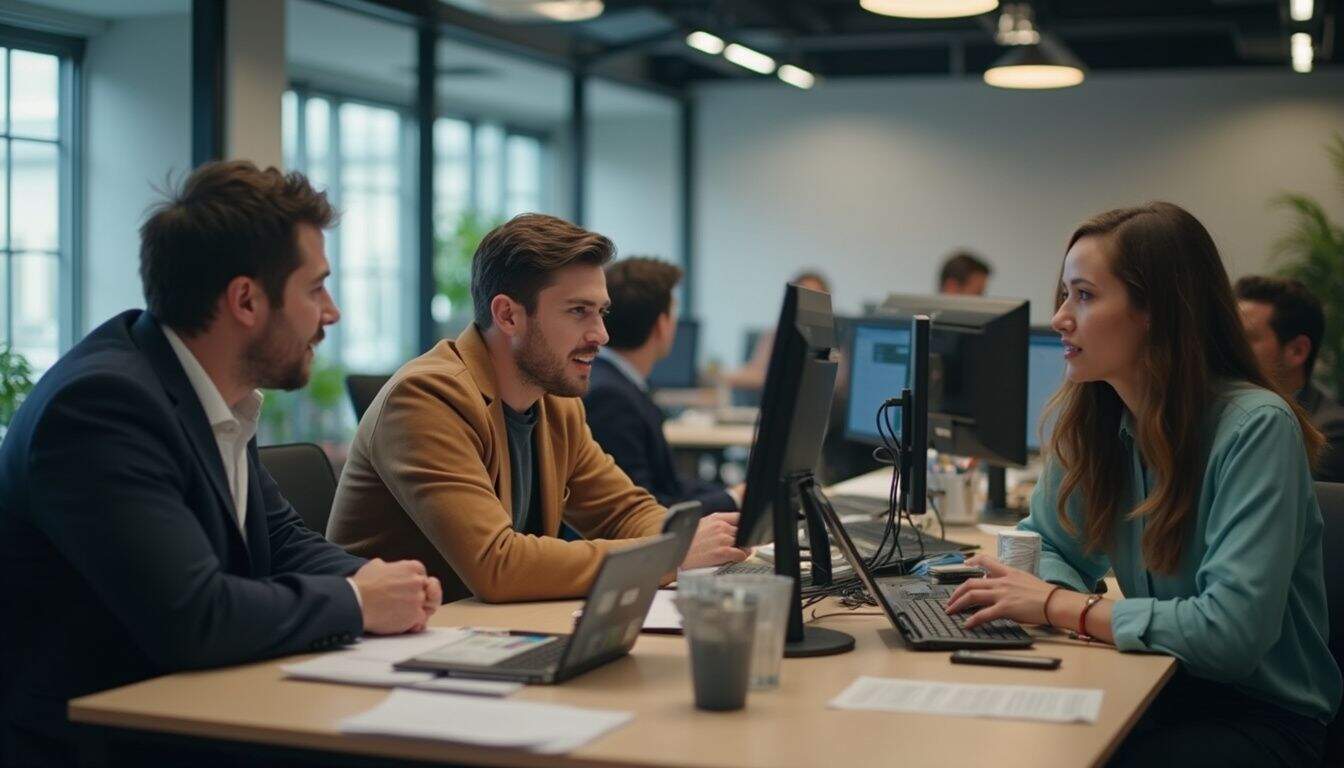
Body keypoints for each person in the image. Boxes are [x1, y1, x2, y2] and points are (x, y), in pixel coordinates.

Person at [0, 161, 440, 766]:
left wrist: (395, 586)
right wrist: (360, 602)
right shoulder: (103, 407)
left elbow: (278, 540)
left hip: (199, 709)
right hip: (103, 740)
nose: (331, 312)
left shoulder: (205, 388)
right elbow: (192, 616)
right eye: (315, 288)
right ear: (245, 300)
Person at [943, 202, 1339, 766]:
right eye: (1064, 294)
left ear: (1156, 311)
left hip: (1259, 717)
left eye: (1083, 295)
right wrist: (1058, 598)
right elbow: (1049, 543)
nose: (1059, 317)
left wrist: (1062, 607)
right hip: (1154, 679)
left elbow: (1230, 636)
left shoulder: (1256, 428)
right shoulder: (1099, 417)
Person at [327, 214, 748, 604]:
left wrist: (700, 542)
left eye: (601, 312)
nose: (601, 334)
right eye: (578, 311)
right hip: (398, 650)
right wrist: (668, 555)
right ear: (508, 316)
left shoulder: (555, 402)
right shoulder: (426, 398)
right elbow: (499, 565)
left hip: (486, 637)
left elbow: (622, 511)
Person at [584, 257, 740, 513]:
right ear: (661, 324)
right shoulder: (611, 397)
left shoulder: (619, 384)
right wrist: (733, 499)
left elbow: (670, 485)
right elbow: (642, 508)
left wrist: (733, 494)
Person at [1235, 275, 1344, 483]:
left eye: (1245, 339)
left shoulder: (1331, 433)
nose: (1228, 348)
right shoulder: (1224, 411)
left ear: (1297, 351)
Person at [725, 270, 830, 392]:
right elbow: (754, 371)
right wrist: (724, 375)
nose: (808, 302)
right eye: (803, 294)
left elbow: (831, 380)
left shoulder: (830, 340)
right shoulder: (774, 335)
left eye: (814, 295)